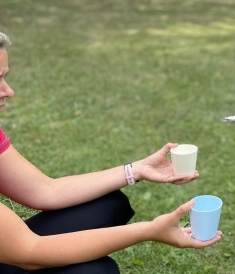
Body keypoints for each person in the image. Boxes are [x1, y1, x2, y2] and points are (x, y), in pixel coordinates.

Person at [0, 32, 221, 274]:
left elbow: (44, 191)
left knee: (109, 205)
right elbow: (30, 252)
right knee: (94, 271)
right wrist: (150, 230)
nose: (8, 91)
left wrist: (136, 170)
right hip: (23, 252)